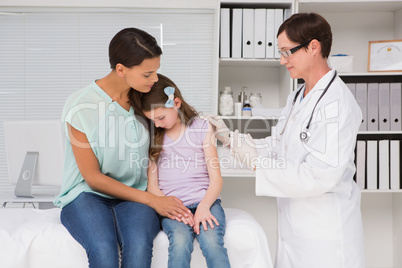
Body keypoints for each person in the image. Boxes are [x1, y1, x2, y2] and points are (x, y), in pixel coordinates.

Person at [208, 13, 365, 267]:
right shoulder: (297, 97)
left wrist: (259, 164)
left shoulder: (337, 104)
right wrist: (230, 139)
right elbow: (278, 144)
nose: (282, 61)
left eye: (287, 52)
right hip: (295, 232)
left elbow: (319, 175)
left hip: (325, 236)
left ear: (313, 47)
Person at [54, 28, 193, 268]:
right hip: (87, 194)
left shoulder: (145, 101)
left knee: (138, 245)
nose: (155, 79)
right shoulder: (81, 106)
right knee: (104, 248)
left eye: (156, 71)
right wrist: (152, 200)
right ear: (121, 69)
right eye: (148, 73)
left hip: (135, 192)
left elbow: (179, 130)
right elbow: (93, 178)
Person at [132, 73, 231, 268]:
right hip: (174, 208)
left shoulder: (202, 128)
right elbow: (152, 187)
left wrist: (203, 207)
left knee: (211, 242)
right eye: (153, 121)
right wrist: (174, 210)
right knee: (179, 242)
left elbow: (216, 179)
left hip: (206, 202)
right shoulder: (154, 138)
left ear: (176, 102)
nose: (158, 124)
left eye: (161, 117)